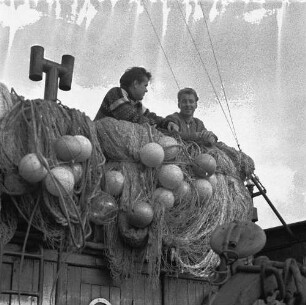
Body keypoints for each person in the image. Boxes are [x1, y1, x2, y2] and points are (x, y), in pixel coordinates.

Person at [94, 66, 178, 132]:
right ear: (136, 84)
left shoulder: (135, 102)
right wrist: (157, 126)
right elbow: (133, 119)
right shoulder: (115, 93)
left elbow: (150, 116)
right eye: (145, 85)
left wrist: (167, 123)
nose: (146, 90)